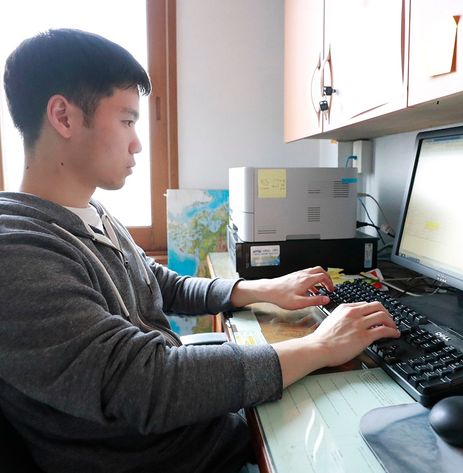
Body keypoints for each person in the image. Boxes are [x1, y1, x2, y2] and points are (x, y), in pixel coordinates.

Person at [0, 29, 399, 473]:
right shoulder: (17, 249)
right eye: (128, 121)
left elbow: (158, 282)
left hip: (190, 437)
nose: (136, 143)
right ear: (64, 116)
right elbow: (146, 384)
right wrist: (321, 344)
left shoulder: (90, 212)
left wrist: (262, 288)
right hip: (166, 459)